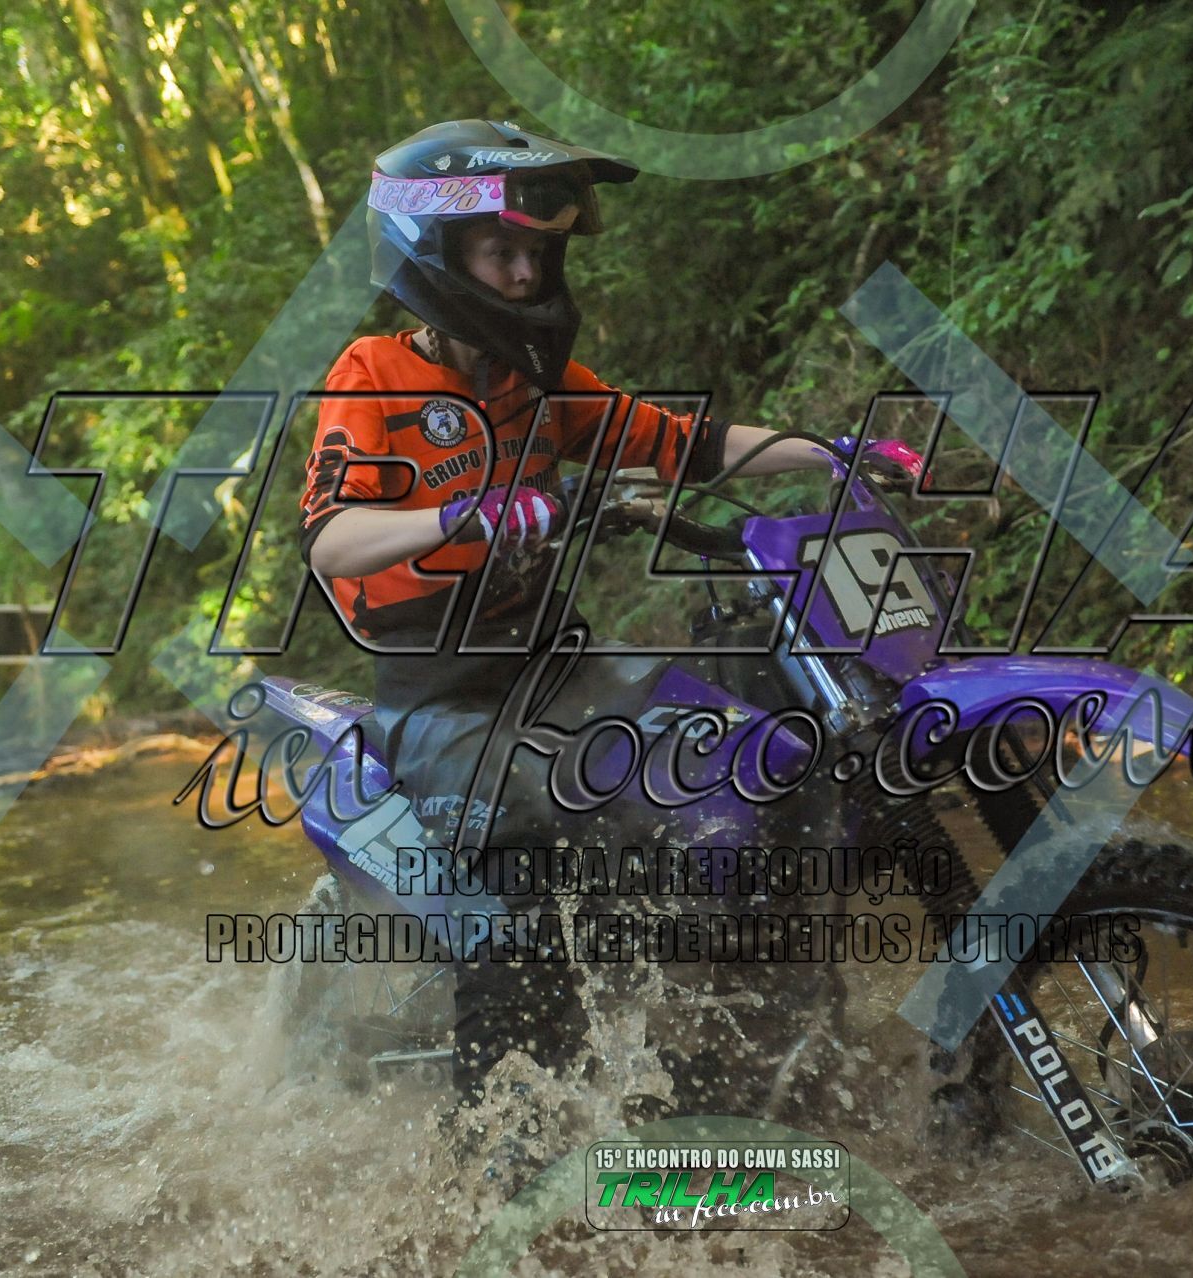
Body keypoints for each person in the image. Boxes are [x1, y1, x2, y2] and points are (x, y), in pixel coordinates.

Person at [296, 119, 924, 1109]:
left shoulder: (535, 383)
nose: (525, 272)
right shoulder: (372, 374)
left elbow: (684, 442)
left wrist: (831, 452)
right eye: (500, 249)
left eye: (539, 252)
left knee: (765, 773)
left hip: (563, 666)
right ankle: (500, 1153)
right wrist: (466, 513)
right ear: (434, 249)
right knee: (524, 909)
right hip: (446, 701)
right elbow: (331, 538)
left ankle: (774, 1060)